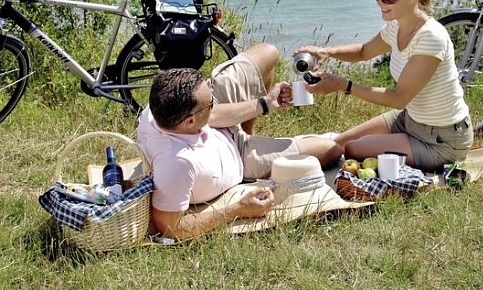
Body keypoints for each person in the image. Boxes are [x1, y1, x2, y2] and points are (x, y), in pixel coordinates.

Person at [136, 43, 343, 240]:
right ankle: (254, 142)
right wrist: (237, 209)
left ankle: (247, 129)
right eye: (210, 103)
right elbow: (171, 227)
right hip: (240, 155)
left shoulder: (160, 105)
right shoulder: (176, 163)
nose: (213, 102)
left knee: (267, 52)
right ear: (190, 121)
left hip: (213, 127)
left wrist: (264, 104)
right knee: (330, 149)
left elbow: (212, 114)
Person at [294, 0, 473, 172]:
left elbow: (399, 98)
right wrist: (327, 52)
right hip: (410, 119)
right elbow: (363, 52)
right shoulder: (396, 26)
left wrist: (343, 85)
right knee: (337, 143)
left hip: (442, 139)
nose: (380, 3)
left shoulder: (431, 37)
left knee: (351, 150)